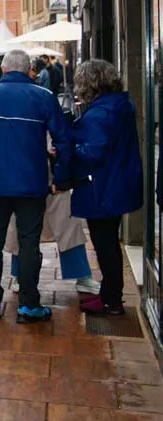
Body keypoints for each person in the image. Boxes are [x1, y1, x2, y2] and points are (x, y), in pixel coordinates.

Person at [0, 49, 72, 324]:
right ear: (28, 70)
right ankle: (28, 303)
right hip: (30, 182)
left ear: (2, 68)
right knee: (28, 242)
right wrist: (61, 176)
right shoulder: (43, 97)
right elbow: (63, 139)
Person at [71, 59, 144, 316]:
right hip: (118, 182)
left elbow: (93, 153)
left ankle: (111, 299)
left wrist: (68, 147)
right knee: (109, 242)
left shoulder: (100, 113)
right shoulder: (121, 105)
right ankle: (110, 294)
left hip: (103, 187)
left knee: (105, 245)